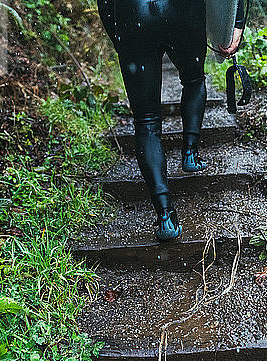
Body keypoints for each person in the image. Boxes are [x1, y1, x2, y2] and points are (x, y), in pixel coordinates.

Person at [97, 0, 245, 241]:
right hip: (183, 10)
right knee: (194, 79)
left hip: (132, 12)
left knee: (146, 120)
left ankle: (166, 215)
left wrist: (120, 36)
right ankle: (190, 153)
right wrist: (235, 25)